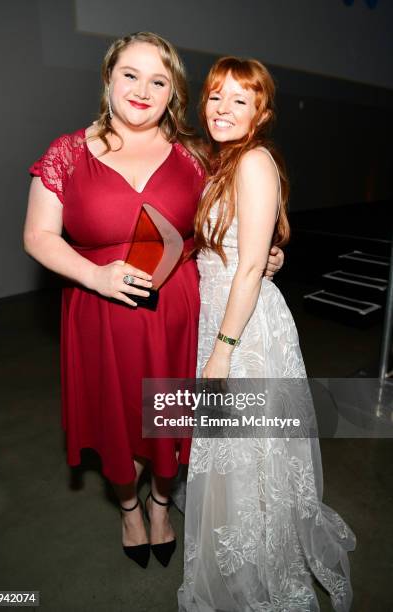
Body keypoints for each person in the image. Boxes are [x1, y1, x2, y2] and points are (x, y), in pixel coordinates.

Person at [23, 33, 284, 570]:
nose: (142, 90)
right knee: (114, 419)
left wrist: (264, 256)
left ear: (174, 94)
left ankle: (162, 503)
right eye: (130, 75)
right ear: (107, 79)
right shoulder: (66, 153)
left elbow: (234, 215)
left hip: (178, 316)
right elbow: (39, 237)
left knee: (172, 423)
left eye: (158, 81)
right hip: (99, 315)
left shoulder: (194, 153)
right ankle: (129, 509)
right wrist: (95, 276)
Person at [178, 57, 356, 610]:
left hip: (245, 329)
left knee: (251, 448)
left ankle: (261, 559)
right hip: (225, 311)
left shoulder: (253, 160)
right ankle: (241, 534)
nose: (224, 108)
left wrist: (222, 353)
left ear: (262, 111)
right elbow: (241, 247)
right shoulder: (221, 163)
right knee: (241, 451)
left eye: (240, 99)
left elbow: (250, 266)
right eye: (215, 97)